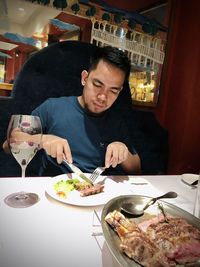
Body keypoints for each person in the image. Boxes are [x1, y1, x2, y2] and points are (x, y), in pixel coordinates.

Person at [4, 46, 141, 176]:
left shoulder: (115, 120)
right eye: (97, 84)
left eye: (113, 90)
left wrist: (123, 152)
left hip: (97, 192)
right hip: (55, 191)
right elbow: (8, 145)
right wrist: (41, 139)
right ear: (84, 78)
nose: (102, 97)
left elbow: (136, 169)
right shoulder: (53, 108)